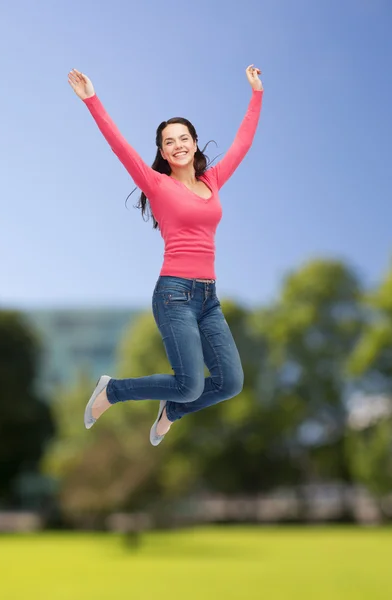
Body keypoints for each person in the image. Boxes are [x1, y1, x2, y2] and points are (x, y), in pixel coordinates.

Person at [68, 64, 263, 446]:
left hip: (209, 298)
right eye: (169, 141)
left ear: (194, 142)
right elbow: (119, 145)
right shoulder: (156, 184)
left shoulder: (213, 181)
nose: (178, 145)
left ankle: (170, 410)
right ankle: (112, 390)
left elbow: (242, 143)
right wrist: (92, 100)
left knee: (230, 382)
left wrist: (256, 94)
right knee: (188, 384)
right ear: (161, 150)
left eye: (183, 137)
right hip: (174, 294)